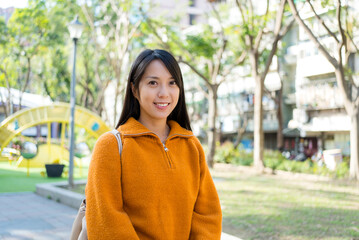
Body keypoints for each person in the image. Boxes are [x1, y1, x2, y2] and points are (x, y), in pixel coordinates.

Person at [86, 49, 222, 239]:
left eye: (172, 83)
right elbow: (106, 219)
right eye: (153, 83)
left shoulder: (192, 146)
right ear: (134, 89)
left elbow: (208, 215)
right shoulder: (111, 145)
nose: (164, 93)